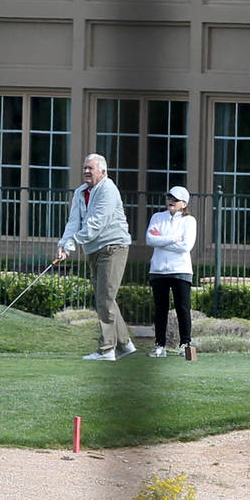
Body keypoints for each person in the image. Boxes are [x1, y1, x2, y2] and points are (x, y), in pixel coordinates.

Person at [56, 153, 135, 361]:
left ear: (103, 171)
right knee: (105, 298)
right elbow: (74, 221)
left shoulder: (108, 190)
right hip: (93, 249)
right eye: (84, 168)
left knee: (105, 298)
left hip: (113, 247)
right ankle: (125, 344)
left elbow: (96, 224)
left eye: (91, 168)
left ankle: (107, 349)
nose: (86, 171)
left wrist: (73, 243)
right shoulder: (81, 192)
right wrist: (64, 244)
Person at [145, 186, 195, 357]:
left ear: (184, 203)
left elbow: (186, 246)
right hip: (158, 270)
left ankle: (185, 343)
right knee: (160, 309)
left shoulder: (189, 221)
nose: (171, 201)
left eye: (175, 199)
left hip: (181, 270)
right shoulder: (157, 218)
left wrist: (162, 240)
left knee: (183, 308)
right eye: (169, 198)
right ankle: (160, 345)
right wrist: (174, 238)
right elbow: (150, 239)